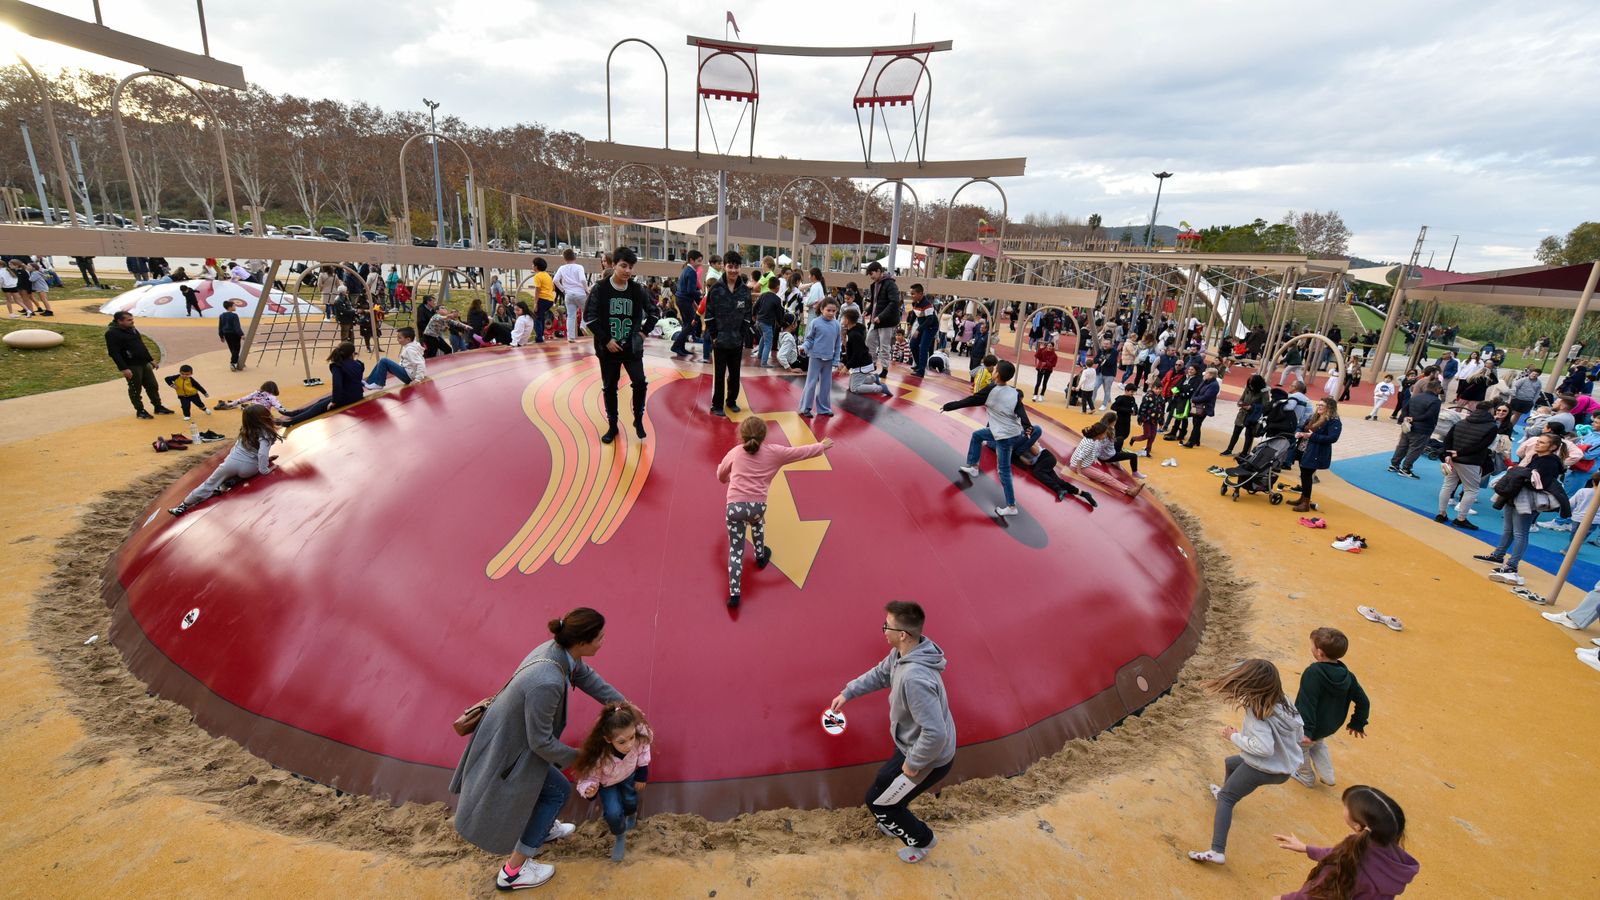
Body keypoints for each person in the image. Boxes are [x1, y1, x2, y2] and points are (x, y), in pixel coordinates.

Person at [450, 609, 627, 892]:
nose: (604, 641)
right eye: (600, 637)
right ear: (582, 642)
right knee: (557, 792)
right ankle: (513, 872)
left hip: (513, 738)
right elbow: (541, 743)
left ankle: (542, 829)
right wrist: (584, 759)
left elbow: (586, 676)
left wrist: (624, 706)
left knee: (552, 790)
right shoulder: (547, 681)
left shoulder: (558, 651)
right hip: (512, 749)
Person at [828, 601, 956, 865]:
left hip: (928, 756)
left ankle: (922, 840)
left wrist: (913, 765)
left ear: (903, 635)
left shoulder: (914, 678)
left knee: (878, 803)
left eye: (887, 626)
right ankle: (896, 819)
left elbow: (935, 734)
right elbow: (880, 674)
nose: (883, 629)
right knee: (884, 783)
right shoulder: (904, 653)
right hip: (910, 743)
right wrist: (848, 693)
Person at [1188, 659, 1306, 866]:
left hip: (1263, 767)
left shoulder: (1257, 712)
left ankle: (1217, 851)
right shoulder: (1285, 701)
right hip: (1284, 768)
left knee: (1227, 799)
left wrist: (1234, 736)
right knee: (1231, 762)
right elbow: (1299, 730)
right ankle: (1228, 791)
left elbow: (1264, 748)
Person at [717, 417, 834, 607]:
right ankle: (761, 555)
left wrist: (728, 475)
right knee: (757, 523)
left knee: (735, 549)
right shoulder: (774, 452)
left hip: (735, 507)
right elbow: (800, 453)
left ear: (741, 434)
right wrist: (821, 446)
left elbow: (721, 476)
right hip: (757, 507)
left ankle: (735, 594)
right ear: (764, 435)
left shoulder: (735, 452)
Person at [1273, 786, 1418, 899]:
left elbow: (1317, 895)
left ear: (1357, 826)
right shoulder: (1392, 855)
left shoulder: (1347, 866)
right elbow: (1342, 853)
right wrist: (1307, 848)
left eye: (1346, 806)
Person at [943, 360, 1043, 517]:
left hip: (1004, 436)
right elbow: (1021, 411)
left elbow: (971, 400)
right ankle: (974, 467)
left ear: (996, 374)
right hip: (1009, 431)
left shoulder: (991, 390)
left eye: (995, 369)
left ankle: (1011, 506)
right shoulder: (1014, 391)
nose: (993, 370)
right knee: (977, 435)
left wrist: (950, 406)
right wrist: (1027, 426)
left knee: (1003, 471)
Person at [584, 247, 659, 443]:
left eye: (630, 267)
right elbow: (589, 318)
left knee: (640, 382)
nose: (627, 271)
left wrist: (643, 333)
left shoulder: (637, 290)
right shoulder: (600, 288)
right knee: (609, 387)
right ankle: (612, 425)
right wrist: (606, 340)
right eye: (623, 266)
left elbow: (654, 312)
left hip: (631, 348)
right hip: (607, 349)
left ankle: (638, 419)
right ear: (614, 265)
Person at [1475, 431, 1568, 586]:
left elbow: (1539, 483)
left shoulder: (1550, 462)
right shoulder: (1538, 457)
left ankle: (1512, 565)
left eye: (1542, 442)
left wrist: (1518, 475)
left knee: (1520, 533)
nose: (1538, 444)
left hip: (1528, 500)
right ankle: (1498, 555)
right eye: (1539, 441)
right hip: (1517, 495)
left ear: (1553, 447)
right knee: (1508, 529)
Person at [1292, 626, 1370, 792]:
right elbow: (1364, 701)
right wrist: (1358, 722)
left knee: (1299, 747)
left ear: (1319, 653)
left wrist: (1306, 731)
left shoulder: (1313, 673)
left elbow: (1307, 703)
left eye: (1312, 645)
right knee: (1318, 745)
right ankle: (1328, 776)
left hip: (1309, 727)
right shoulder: (1347, 675)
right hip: (1330, 725)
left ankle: (1305, 776)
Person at [167, 404, 283, 516]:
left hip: (230, 464)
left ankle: (183, 506)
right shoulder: (267, 433)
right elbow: (261, 453)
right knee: (242, 474)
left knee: (208, 484)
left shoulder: (245, 430)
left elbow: (238, 449)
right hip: (249, 469)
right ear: (265, 416)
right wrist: (264, 469)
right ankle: (228, 483)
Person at [573, 702, 653, 862]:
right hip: (607, 784)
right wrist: (590, 789)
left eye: (632, 738)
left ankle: (631, 815)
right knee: (613, 813)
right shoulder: (600, 755)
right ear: (609, 739)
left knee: (630, 800)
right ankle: (620, 836)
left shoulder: (638, 737)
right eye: (622, 742)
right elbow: (588, 777)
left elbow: (645, 747)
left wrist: (642, 773)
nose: (629, 745)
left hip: (628, 775)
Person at [1435, 401, 1501, 528]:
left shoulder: (1462, 421)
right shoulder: (1491, 426)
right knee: (1471, 489)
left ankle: (1441, 513)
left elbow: (1448, 438)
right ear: (1491, 410)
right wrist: (1460, 453)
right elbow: (1482, 446)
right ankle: (1461, 518)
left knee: (1448, 485)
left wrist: (1448, 454)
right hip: (1471, 461)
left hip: (1453, 459)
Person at [704, 250, 753, 417]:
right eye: (730, 266)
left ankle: (731, 401)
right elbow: (708, 315)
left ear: (740, 268)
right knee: (719, 375)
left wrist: (741, 334)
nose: (733, 270)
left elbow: (748, 315)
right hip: (720, 341)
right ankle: (717, 405)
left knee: (735, 374)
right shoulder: (716, 289)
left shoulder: (745, 291)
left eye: (736, 267)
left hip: (737, 341)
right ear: (724, 267)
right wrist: (714, 336)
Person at [278, 342, 366, 427]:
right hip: (357, 394)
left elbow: (337, 385)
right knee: (320, 402)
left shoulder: (337, 366)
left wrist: (334, 401)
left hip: (346, 397)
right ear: (352, 353)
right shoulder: (359, 364)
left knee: (317, 408)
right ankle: (295, 413)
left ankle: (291, 422)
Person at [105, 311, 172, 419]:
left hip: (144, 363)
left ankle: (158, 407)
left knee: (152, 385)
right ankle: (140, 411)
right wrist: (124, 368)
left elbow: (140, 345)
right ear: (119, 321)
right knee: (135, 389)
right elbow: (114, 353)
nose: (132, 321)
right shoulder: (112, 333)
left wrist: (150, 359)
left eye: (132, 319)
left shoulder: (132, 329)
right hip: (131, 365)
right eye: (129, 320)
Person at [1069, 420, 1146, 497]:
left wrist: (1094, 458)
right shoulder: (1090, 443)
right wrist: (1079, 473)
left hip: (1082, 465)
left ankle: (1128, 489)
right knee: (1104, 477)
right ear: (1099, 434)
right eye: (1104, 434)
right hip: (1078, 467)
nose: (1105, 435)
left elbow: (1088, 451)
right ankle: (1128, 491)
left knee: (1103, 475)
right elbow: (1079, 458)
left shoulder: (1090, 438)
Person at [1291, 398, 1342, 513]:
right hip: (1304, 448)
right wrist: (1298, 432)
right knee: (1304, 474)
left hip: (1315, 451)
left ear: (1329, 407)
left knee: (1307, 475)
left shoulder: (1333, 420)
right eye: (1318, 404)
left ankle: (1305, 503)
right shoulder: (1314, 416)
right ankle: (1303, 498)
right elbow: (1302, 425)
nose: (1318, 407)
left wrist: (1311, 436)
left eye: (1322, 405)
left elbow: (1333, 438)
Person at [1388, 379, 1442, 478]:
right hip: (1423, 429)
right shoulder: (1435, 401)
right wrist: (1414, 419)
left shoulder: (1416, 397)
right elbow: (1429, 415)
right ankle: (1405, 469)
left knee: (1402, 446)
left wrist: (1407, 418)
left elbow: (1405, 409)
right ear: (1437, 389)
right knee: (1415, 449)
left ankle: (1394, 464)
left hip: (1408, 426)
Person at [799, 299, 842, 417]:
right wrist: (804, 347)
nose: (831, 313)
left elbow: (838, 344)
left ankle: (823, 408)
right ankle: (805, 408)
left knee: (826, 384)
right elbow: (810, 339)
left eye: (834, 311)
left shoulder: (837, 324)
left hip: (829, 359)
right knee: (811, 383)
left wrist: (836, 359)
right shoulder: (815, 322)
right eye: (828, 310)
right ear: (822, 309)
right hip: (815, 357)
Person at [842, 308, 894, 397]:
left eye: (843, 318)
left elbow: (857, 354)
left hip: (861, 364)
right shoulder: (852, 331)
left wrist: (847, 367)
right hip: (860, 363)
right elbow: (852, 351)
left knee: (854, 388)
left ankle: (881, 388)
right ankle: (873, 378)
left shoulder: (854, 335)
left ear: (846, 320)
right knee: (851, 385)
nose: (842, 320)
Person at [864, 261, 902, 378]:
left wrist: (881, 316)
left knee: (884, 346)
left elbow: (894, 302)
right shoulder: (875, 284)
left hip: (886, 321)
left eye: (872, 273)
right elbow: (876, 302)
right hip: (875, 320)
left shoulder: (890, 284)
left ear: (879, 271)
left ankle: (884, 368)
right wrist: (869, 310)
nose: (871, 276)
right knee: (869, 340)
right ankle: (872, 363)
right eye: (869, 274)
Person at [669, 250, 703, 358]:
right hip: (685, 300)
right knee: (691, 323)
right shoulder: (691, 272)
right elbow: (691, 291)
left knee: (687, 324)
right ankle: (676, 345)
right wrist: (700, 293)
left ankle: (680, 347)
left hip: (681, 300)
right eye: (698, 261)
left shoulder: (686, 270)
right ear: (692, 260)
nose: (700, 263)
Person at [1183, 367, 1222, 448]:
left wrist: (1194, 399)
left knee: (1197, 424)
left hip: (1204, 407)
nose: (1204, 374)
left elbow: (1207, 397)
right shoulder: (1205, 381)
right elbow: (1197, 391)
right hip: (1198, 404)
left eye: (1206, 373)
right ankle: (1197, 441)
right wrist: (1193, 399)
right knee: (1196, 423)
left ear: (1211, 375)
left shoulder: (1214, 385)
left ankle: (1191, 442)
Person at [908, 284, 938, 376]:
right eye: (911, 294)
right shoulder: (915, 302)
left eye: (913, 294)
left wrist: (918, 330)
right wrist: (910, 323)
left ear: (920, 294)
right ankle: (918, 365)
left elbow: (930, 319)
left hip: (930, 327)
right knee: (913, 344)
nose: (911, 296)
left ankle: (921, 371)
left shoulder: (927, 304)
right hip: (923, 326)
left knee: (923, 348)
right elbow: (914, 314)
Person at [216, 381, 287, 415]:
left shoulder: (256, 393)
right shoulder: (271, 397)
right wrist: (288, 413)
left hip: (250, 411)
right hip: (262, 414)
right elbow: (279, 407)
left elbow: (243, 399)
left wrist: (230, 404)